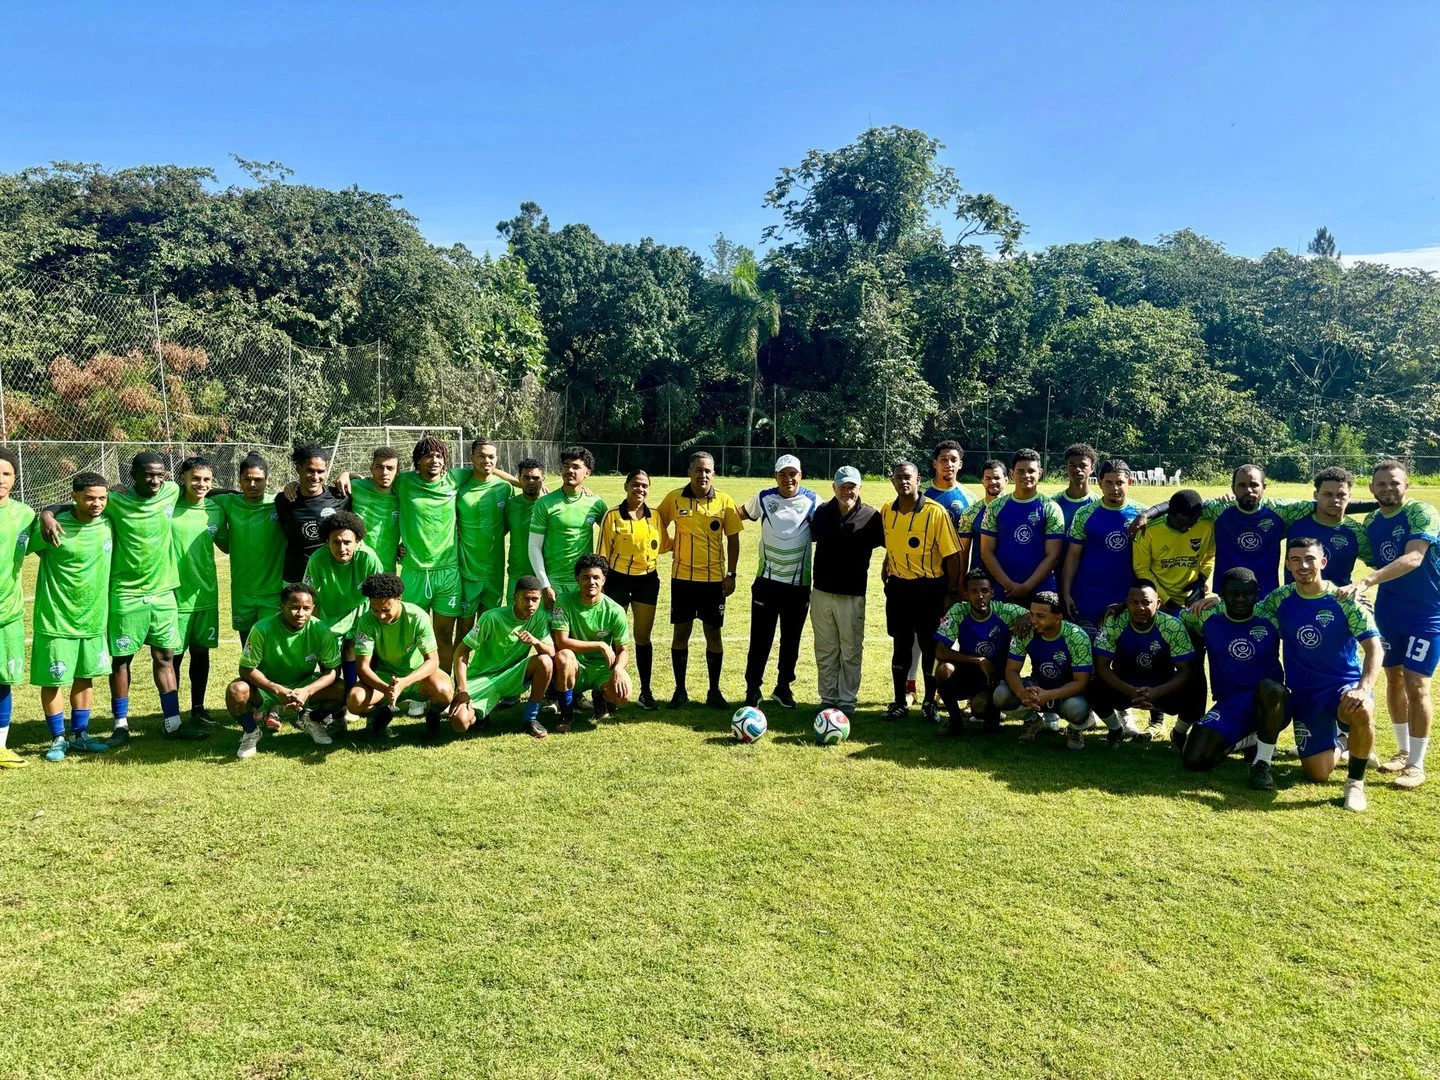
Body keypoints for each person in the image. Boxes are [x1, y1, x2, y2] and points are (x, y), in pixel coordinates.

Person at [38, 451, 202, 744]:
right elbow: (78, 500)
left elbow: (208, 491)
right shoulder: (114, 501)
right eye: (148, 474)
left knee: (165, 656)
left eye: (160, 474)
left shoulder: (172, 491)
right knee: (121, 660)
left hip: (164, 592)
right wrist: (46, 514)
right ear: (133, 476)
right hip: (126, 593)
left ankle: (173, 723)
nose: (155, 480)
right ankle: (121, 725)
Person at [1136, 465, 1372, 598]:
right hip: (1225, 594)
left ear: (1264, 488)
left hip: (1267, 595)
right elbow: (1183, 503)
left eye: (1254, 485)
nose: (1248, 490)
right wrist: (1147, 514)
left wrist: (1381, 503)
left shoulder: (1281, 510)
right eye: (1242, 485)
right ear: (1232, 489)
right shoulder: (1220, 509)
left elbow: (1328, 503)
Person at [1346, 459, 1440, 790]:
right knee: (1394, 679)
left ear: (1407, 485)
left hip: (1427, 614)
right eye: (1381, 484)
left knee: (1417, 685)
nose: (1388, 488)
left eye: (1395, 483)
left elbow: (1414, 558)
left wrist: (1368, 581)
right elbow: (1374, 556)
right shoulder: (1371, 520)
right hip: (1388, 612)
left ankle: (1416, 765)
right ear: (1371, 489)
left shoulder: (1421, 512)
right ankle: (1402, 752)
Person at [1178, 568, 1287, 790]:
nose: (1240, 599)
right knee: (1194, 759)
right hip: (1229, 706)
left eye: (1247, 594)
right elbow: (1166, 619)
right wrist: (1123, 609)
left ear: (1257, 594)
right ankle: (1252, 739)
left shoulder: (1272, 617)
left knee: (1269, 687)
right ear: (1222, 594)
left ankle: (1262, 763)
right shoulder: (1206, 616)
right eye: (1233, 593)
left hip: (1270, 704)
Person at [28, 473, 112, 762]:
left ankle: (80, 735)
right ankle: (57, 737)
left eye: (102, 497)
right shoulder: (52, 528)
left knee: (85, 676)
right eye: (89, 497)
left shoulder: (109, 523)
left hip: (93, 618)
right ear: (74, 496)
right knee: (53, 680)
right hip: (55, 618)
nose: (97, 503)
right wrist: (47, 515)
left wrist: (47, 510)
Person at [657, 452, 742, 709]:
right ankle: (680, 691)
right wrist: (668, 544)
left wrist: (732, 574)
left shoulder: (724, 502)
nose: (702, 475)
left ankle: (714, 691)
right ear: (689, 471)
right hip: (682, 579)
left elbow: (734, 538)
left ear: (713, 473)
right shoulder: (674, 498)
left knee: (713, 634)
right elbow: (656, 520)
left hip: (714, 581)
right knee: (680, 633)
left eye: (707, 471)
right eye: (698, 470)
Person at [879, 460, 960, 722]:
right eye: (898, 477)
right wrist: (886, 564)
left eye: (908, 477)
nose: (903, 481)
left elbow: (953, 556)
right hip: (899, 588)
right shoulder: (886, 511)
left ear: (918, 480)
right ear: (892, 481)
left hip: (929, 589)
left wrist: (950, 593)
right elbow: (892, 543)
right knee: (900, 645)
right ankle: (899, 701)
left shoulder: (935, 512)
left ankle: (929, 702)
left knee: (930, 647)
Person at [225, 583, 346, 759]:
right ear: (282, 607)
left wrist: (307, 690)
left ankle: (312, 720)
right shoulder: (262, 628)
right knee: (236, 691)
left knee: (341, 689)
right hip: (267, 688)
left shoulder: (321, 629)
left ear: (313, 608)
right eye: (295, 607)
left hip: (303, 685)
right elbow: (246, 669)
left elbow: (333, 670)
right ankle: (251, 732)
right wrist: (277, 689)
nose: (301, 613)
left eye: (306, 608)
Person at [740, 454, 820, 710]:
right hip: (766, 582)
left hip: (798, 586)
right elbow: (736, 514)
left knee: (791, 640)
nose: (788, 479)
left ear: (801, 475)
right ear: (775, 476)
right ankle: (753, 688)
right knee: (760, 639)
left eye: (793, 473)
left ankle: (783, 687)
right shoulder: (764, 498)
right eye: (783, 474)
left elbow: (835, 520)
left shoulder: (813, 501)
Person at [809, 465, 885, 717]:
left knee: (851, 650)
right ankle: (827, 698)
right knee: (825, 649)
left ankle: (846, 701)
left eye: (852, 486)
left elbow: (891, 547)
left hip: (852, 595)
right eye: (842, 486)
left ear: (860, 488)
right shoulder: (822, 512)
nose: (847, 491)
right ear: (834, 487)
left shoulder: (872, 517)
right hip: (821, 592)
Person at [1090, 579, 1203, 746]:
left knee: (1197, 685)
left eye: (1146, 602)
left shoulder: (1172, 625)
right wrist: (1129, 690)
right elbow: (1102, 666)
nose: (1140, 607)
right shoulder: (1114, 621)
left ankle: (1178, 733)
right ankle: (1115, 729)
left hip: (1162, 688)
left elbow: (1184, 670)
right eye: (1133, 602)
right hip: (1125, 686)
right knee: (1092, 683)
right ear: (1127, 603)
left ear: (1158, 603)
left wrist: (1157, 691)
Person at [348, 572, 454, 739]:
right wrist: (387, 688)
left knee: (444, 691)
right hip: (385, 678)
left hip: (417, 677)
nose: (381, 616)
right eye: (375, 610)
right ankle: (381, 715)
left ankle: (433, 715)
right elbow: (362, 667)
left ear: (399, 598)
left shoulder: (418, 617)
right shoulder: (366, 621)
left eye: (385, 610)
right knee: (355, 701)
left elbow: (433, 662)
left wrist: (404, 682)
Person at [391, 437, 465, 674]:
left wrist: (519, 481)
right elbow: (371, 481)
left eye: (439, 456)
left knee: (443, 635)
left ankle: (441, 687)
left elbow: (488, 468)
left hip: (448, 573)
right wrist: (346, 476)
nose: (434, 460)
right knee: (412, 634)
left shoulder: (454, 479)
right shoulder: (403, 482)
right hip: (414, 572)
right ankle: (413, 688)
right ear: (418, 461)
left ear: (444, 462)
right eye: (427, 456)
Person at [450, 575, 557, 739]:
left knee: (545, 661)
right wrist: (462, 689)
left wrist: (535, 642)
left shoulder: (539, 617)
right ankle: (481, 715)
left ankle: (530, 718)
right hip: (482, 678)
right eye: (525, 599)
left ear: (540, 599)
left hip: (512, 676)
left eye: (535, 599)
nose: (530, 604)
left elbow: (551, 652)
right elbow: (461, 652)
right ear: (515, 598)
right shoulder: (491, 617)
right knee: (460, 723)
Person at [598, 469, 665, 710]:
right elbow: (602, 554)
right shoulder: (613, 516)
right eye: (635, 484)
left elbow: (663, 545)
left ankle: (646, 692)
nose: (640, 489)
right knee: (612, 636)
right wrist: (602, 587)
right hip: (617, 581)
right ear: (626, 486)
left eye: (645, 486)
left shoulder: (655, 516)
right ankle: (608, 692)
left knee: (643, 637)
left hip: (647, 581)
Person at [934, 569, 1030, 735]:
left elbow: (1036, 614)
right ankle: (955, 722)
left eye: (984, 591)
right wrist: (978, 660)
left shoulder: (1005, 611)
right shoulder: (958, 611)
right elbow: (940, 652)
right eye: (974, 591)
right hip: (968, 672)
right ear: (966, 594)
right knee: (943, 670)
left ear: (992, 592)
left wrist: (1026, 617)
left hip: (994, 677)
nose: (980, 596)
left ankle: (990, 711)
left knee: (981, 711)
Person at [170, 456, 227, 728]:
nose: (201, 484)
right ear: (183, 478)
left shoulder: (216, 509)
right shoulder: (167, 504)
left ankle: (198, 708)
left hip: (205, 594)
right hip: (173, 595)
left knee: (201, 654)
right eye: (195, 478)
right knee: (173, 657)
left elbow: (227, 545)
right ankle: (172, 712)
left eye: (206, 479)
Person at [303, 511, 384, 705]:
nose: (342, 548)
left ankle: (351, 699)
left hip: (360, 613)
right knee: (329, 661)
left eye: (347, 542)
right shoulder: (317, 560)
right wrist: (317, 628)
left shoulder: (368, 557)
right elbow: (309, 595)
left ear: (357, 541)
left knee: (351, 649)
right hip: (330, 614)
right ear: (327, 542)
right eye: (335, 542)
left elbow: (380, 592)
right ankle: (330, 705)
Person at [994, 590, 1093, 745]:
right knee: (1000, 695)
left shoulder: (1077, 637)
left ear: (1058, 618)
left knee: (1075, 708)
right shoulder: (1025, 631)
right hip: (1037, 686)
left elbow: (1081, 682)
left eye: (1040, 616)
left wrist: (1048, 695)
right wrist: (1022, 693)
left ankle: (1075, 728)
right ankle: (1033, 721)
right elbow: (1011, 670)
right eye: (1032, 614)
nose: (1033, 620)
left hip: (1067, 693)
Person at [1062, 459, 1146, 634]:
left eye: (1120, 483)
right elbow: (1073, 555)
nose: (1114, 488)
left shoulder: (1142, 514)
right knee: (1088, 653)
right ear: (1099, 482)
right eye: (1108, 483)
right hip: (1088, 595)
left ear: (1129, 483)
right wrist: (1066, 592)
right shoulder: (1085, 513)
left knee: (1124, 654)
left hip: (1128, 597)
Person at [551, 554, 634, 730]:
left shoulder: (615, 610)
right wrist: (600, 644)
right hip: (575, 666)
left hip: (601, 668)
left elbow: (623, 650)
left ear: (604, 580)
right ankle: (566, 715)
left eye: (596, 577)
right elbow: (561, 642)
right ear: (577, 579)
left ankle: (600, 698)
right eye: (586, 577)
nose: (591, 582)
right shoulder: (564, 601)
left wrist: (618, 669)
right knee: (564, 656)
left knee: (623, 696)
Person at [213, 452, 286, 648]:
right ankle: (250, 678)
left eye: (258, 480)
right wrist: (234, 493)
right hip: (242, 590)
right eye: (247, 479)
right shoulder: (228, 502)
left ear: (267, 480)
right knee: (248, 646)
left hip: (273, 591)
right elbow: (206, 492)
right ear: (239, 480)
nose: (252, 485)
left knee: (271, 645)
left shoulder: (279, 503)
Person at [979, 448, 1065, 603]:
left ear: (1040, 472)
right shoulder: (995, 507)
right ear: (1012, 474)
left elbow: (1053, 555)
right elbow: (986, 551)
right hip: (1002, 589)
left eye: (1031, 471)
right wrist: (1008, 584)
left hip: (1040, 590)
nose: (1026, 475)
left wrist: (1026, 587)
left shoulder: (1051, 508)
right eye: (1020, 471)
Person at [456, 438, 523, 637]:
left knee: (488, 631)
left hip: (495, 572)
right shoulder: (461, 488)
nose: (487, 460)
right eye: (481, 456)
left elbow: (510, 522)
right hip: (468, 572)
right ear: (471, 458)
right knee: (464, 631)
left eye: (491, 456)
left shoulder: (505, 489)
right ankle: (459, 669)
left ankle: (483, 669)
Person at [529, 445, 607, 608]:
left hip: (585, 581)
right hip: (554, 582)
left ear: (587, 472)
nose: (570, 470)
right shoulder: (545, 503)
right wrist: (545, 584)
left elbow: (612, 536)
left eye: (576, 467)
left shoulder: (596, 503)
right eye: (566, 466)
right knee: (553, 632)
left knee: (582, 633)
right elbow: (534, 546)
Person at [0, 448, 36, 767]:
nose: (1, 479)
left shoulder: (25, 515)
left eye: (6, 473)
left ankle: (0, 746)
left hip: (8, 613)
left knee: (3, 679)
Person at [274, 443, 350, 583]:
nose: (315, 477)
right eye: (310, 470)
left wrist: (348, 474)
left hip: (330, 577)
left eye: (321, 471)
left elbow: (368, 482)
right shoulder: (284, 500)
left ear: (326, 471)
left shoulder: (340, 496)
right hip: (296, 577)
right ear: (298, 469)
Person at [1130, 488, 1215, 612]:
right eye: (1181, 523)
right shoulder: (1147, 531)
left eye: (1192, 524)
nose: (1186, 528)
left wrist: (1201, 582)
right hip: (1161, 603)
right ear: (1169, 513)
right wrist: (1167, 601)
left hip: (1194, 600)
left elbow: (1210, 557)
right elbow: (1142, 570)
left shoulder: (1207, 525)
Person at [1284, 467, 1369, 585]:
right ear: (1315, 495)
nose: (1335, 500)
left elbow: (1383, 564)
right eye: (1328, 494)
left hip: (1338, 601)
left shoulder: (1357, 532)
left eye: (1341, 495)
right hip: (1296, 601)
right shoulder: (1294, 523)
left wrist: (1360, 588)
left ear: (1350, 497)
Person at [347, 447, 401, 573]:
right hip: (357, 566)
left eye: (390, 468)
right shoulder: (356, 487)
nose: (384, 472)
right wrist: (345, 475)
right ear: (371, 468)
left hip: (387, 568)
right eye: (379, 467)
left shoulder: (401, 493)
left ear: (397, 471)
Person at [505, 458, 546, 600]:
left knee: (543, 620)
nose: (531, 482)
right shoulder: (510, 505)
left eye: (536, 478)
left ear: (543, 480)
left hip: (544, 575)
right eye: (526, 478)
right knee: (513, 618)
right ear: (519, 479)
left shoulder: (550, 504)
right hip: (517, 574)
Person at [955, 458, 1007, 572]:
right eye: (988, 478)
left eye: (997, 478)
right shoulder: (970, 513)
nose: (992, 482)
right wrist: (961, 582)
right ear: (982, 480)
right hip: (980, 579)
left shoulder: (1016, 509)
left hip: (1011, 576)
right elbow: (963, 553)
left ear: (1006, 480)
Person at [1054, 442, 1100, 537]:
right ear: (1066, 468)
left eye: (1083, 465)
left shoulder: (1099, 504)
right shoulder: (1053, 502)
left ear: (1092, 468)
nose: (1077, 469)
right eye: (1072, 465)